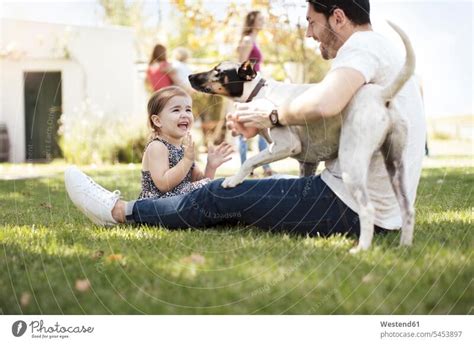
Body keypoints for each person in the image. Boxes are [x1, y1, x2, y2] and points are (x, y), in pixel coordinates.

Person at [65, 0, 426, 243]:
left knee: (220, 194)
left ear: (337, 18)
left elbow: (327, 101)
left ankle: (118, 211)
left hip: (346, 205)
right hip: (379, 208)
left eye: (311, 23)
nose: (308, 34)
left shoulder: (360, 49)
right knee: (243, 193)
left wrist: (271, 115)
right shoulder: (383, 48)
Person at [138, 86, 233, 200]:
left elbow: (202, 183)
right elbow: (163, 185)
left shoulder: (184, 149)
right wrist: (187, 160)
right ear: (158, 121)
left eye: (188, 109)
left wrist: (211, 166)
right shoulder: (157, 146)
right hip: (156, 206)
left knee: (213, 187)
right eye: (176, 110)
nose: (184, 114)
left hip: (178, 202)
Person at [236, 10, 273, 177]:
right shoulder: (247, 40)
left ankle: (265, 166)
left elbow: (255, 67)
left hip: (257, 88)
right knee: (245, 127)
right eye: (260, 19)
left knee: (262, 125)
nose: (262, 22)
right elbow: (241, 66)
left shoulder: (254, 41)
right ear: (252, 21)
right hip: (248, 90)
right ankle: (246, 168)